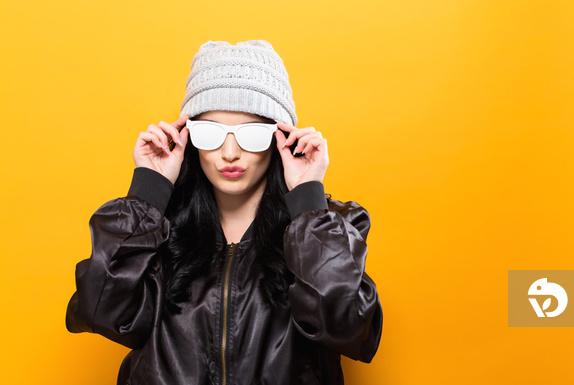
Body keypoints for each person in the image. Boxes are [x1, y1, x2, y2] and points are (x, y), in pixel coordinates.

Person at [66, 40, 382, 385]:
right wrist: (149, 190)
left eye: (252, 134)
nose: (229, 152)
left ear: (282, 138)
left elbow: (349, 328)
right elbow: (100, 311)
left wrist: (307, 200)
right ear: (187, 135)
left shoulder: (326, 227)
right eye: (210, 132)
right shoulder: (155, 228)